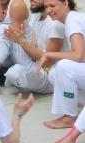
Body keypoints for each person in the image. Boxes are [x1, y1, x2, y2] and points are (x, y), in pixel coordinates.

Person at [35, 0, 84, 129]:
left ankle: (69, 118)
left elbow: (78, 55)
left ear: (66, 3)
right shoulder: (72, 19)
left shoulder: (73, 22)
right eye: (46, 7)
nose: (49, 10)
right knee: (54, 74)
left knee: (63, 67)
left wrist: (48, 54)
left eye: (52, 5)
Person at [3, 0, 65, 94]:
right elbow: (33, 50)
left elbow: (48, 61)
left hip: (49, 76)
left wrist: (21, 41)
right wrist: (20, 39)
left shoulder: (56, 24)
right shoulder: (36, 16)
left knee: (16, 72)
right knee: (3, 30)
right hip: (36, 63)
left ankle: (3, 74)